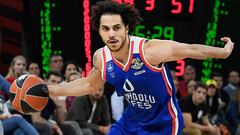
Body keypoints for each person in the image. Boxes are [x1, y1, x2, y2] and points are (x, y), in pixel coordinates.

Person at [26, 0, 233, 134]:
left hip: (164, 124)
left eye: (116, 28)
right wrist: (49, 89)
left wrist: (222, 52)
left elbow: (191, 50)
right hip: (130, 122)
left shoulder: (150, 50)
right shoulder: (102, 57)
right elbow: (89, 85)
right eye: (105, 29)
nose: (112, 34)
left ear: (126, 27)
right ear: (99, 31)